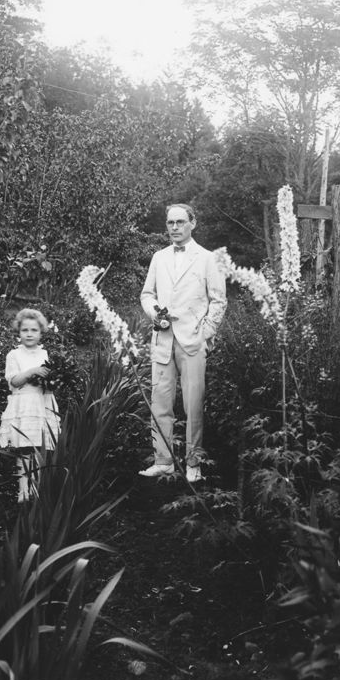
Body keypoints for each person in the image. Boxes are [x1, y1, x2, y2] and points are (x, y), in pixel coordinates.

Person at [139, 203, 227, 482]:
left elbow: (219, 300)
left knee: (193, 404)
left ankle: (193, 463)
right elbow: (146, 294)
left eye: (179, 222)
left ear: (193, 223)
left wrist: (205, 334)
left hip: (193, 343)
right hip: (162, 340)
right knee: (160, 402)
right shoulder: (159, 257)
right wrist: (155, 313)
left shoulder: (208, 259)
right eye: (170, 223)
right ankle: (163, 460)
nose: (174, 227)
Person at [0, 308, 60, 501]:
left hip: (42, 405)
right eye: (25, 330)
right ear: (19, 332)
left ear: (41, 332)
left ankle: (36, 491)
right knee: (24, 449)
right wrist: (33, 371)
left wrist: (53, 381)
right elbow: (14, 382)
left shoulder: (46, 354)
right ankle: (23, 491)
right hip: (24, 406)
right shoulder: (14, 355)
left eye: (34, 330)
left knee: (39, 450)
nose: (29, 334)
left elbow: (51, 383)